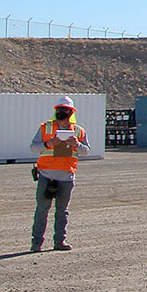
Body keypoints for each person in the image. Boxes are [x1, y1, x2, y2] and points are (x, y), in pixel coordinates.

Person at [29, 96, 91, 252]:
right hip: (46, 175)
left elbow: (86, 152)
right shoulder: (45, 128)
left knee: (62, 211)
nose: (61, 112)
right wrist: (47, 144)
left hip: (67, 177)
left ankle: (59, 242)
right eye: (59, 110)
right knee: (42, 210)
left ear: (71, 112)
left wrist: (76, 144)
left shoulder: (78, 131)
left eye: (64, 110)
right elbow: (33, 148)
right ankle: (36, 244)